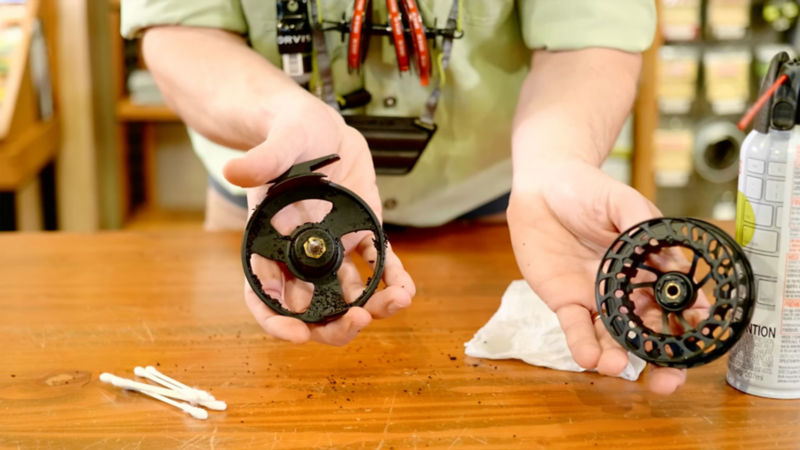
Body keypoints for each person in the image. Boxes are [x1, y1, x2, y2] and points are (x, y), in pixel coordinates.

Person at [121, 1, 687, 394]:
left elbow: (590, 31)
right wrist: (281, 115)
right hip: (280, 199)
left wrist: (556, 163)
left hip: (510, 214)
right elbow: (181, 29)